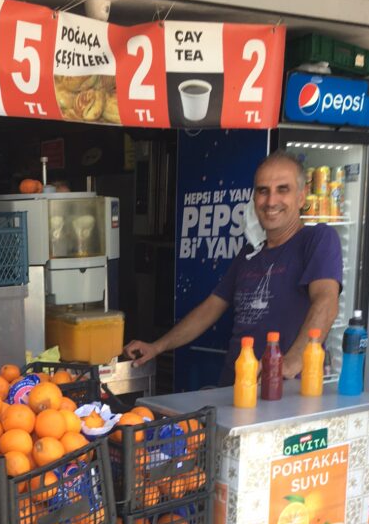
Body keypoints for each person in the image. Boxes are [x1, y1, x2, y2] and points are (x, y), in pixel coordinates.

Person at [123, 151, 342, 384]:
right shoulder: (248, 253)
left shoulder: (318, 239)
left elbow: (326, 301)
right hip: (236, 386)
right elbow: (210, 308)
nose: (270, 201)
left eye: (283, 189)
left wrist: (290, 362)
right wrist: (157, 347)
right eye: (262, 191)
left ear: (301, 197)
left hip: (286, 393)